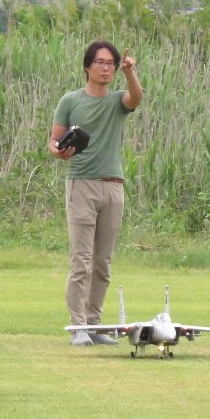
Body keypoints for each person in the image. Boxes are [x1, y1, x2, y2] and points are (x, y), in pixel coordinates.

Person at [48, 41, 142, 346]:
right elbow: (53, 141)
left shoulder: (117, 100)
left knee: (103, 262)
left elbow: (136, 98)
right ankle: (78, 327)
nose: (106, 68)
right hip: (81, 184)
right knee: (82, 260)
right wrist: (59, 152)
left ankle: (95, 325)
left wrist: (130, 72)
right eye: (100, 62)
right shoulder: (71, 100)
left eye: (111, 63)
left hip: (113, 186)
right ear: (87, 66)